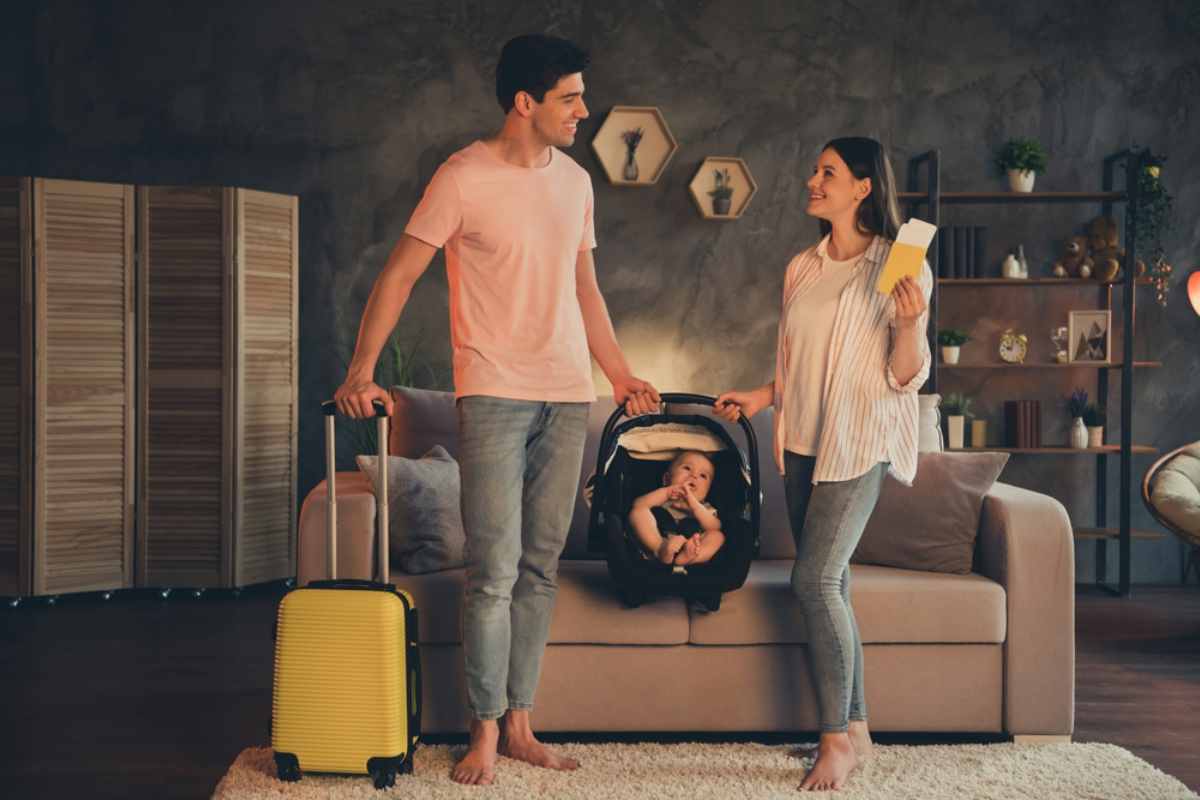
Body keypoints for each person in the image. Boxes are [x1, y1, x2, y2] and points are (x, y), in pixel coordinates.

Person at [333, 33, 659, 787]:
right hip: (492, 393)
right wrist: (361, 367)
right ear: (525, 103)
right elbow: (399, 275)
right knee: (493, 570)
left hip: (566, 394)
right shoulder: (462, 178)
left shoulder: (575, 182)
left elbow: (585, 289)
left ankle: (520, 724)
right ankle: (481, 732)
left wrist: (618, 374)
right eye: (570, 97)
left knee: (539, 567)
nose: (584, 109)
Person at [714, 136, 931, 792]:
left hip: (859, 440)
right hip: (802, 439)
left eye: (828, 172)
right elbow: (803, 362)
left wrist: (910, 326)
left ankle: (833, 738)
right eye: (815, 170)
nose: (813, 180)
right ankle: (858, 729)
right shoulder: (802, 267)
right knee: (831, 586)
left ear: (864, 187)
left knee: (810, 582)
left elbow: (903, 378)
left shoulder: (901, 261)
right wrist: (760, 395)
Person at [628, 450, 725, 566]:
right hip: (659, 541)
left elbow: (715, 526)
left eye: (703, 476)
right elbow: (638, 505)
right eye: (687, 468)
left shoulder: (705, 509)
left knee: (717, 536)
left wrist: (695, 507)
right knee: (637, 512)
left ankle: (690, 557)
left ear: (707, 492)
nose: (694, 475)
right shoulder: (661, 499)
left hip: (692, 544)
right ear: (666, 479)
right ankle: (660, 549)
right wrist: (666, 493)